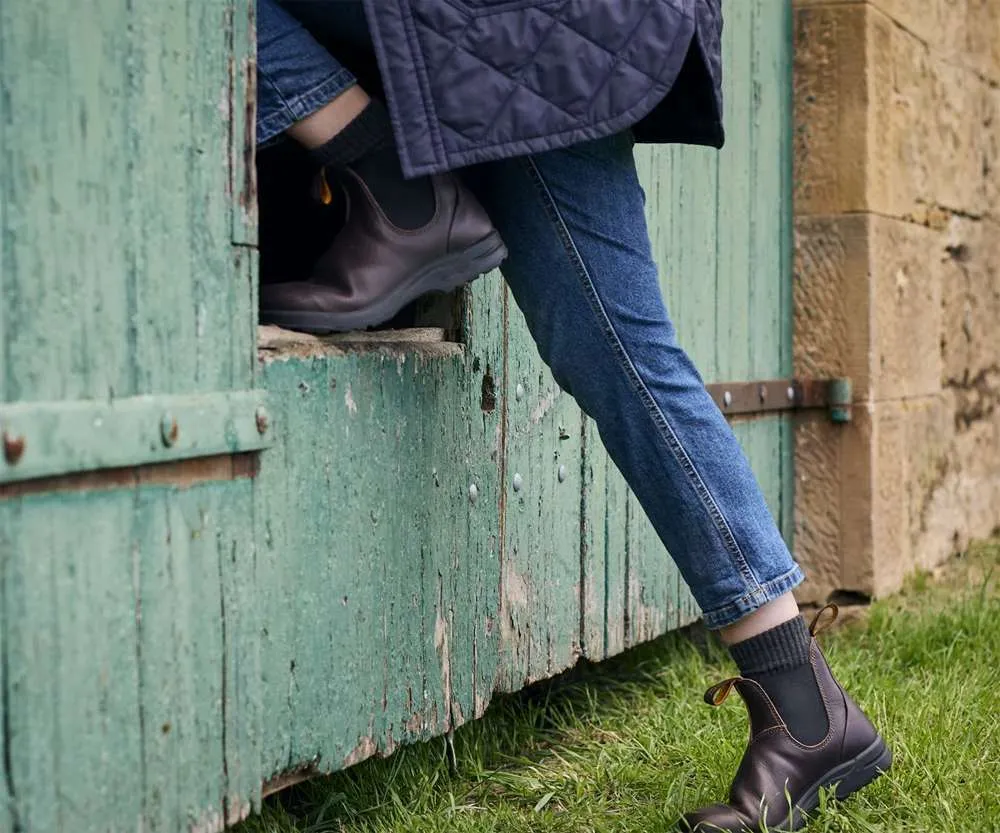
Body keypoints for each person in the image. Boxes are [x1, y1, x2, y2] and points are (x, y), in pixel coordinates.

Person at [255, 2, 892, 830]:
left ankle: (394, 187)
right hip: (560, 34)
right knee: (619, 349)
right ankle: (809, 712)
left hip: (531, 28)